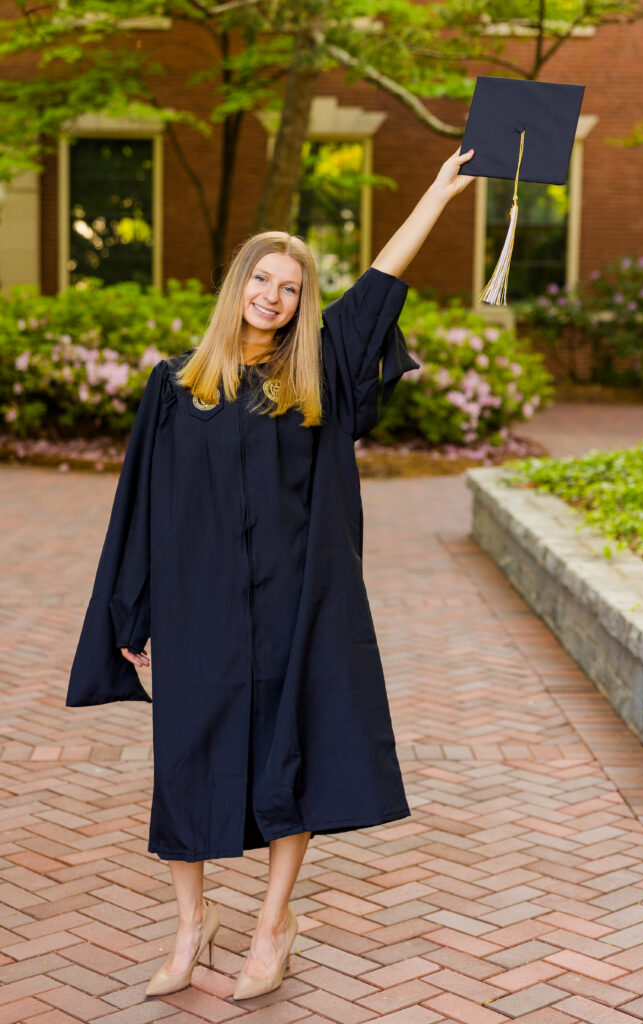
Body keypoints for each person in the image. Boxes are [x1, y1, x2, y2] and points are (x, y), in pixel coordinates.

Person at [66, 145, 475, 1002]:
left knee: (293, 759)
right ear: (238, 287)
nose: (273, 297)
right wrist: (130, 616)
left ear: (301, 302)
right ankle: (192, 925)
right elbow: (139, 508)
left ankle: (270, 926)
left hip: (297, 608)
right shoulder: (176, 387)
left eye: (290, 287)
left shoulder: (316, 374)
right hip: (199, 608)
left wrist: (436, 191)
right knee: (185, 760)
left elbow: (379, 287)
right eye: (262, 281)